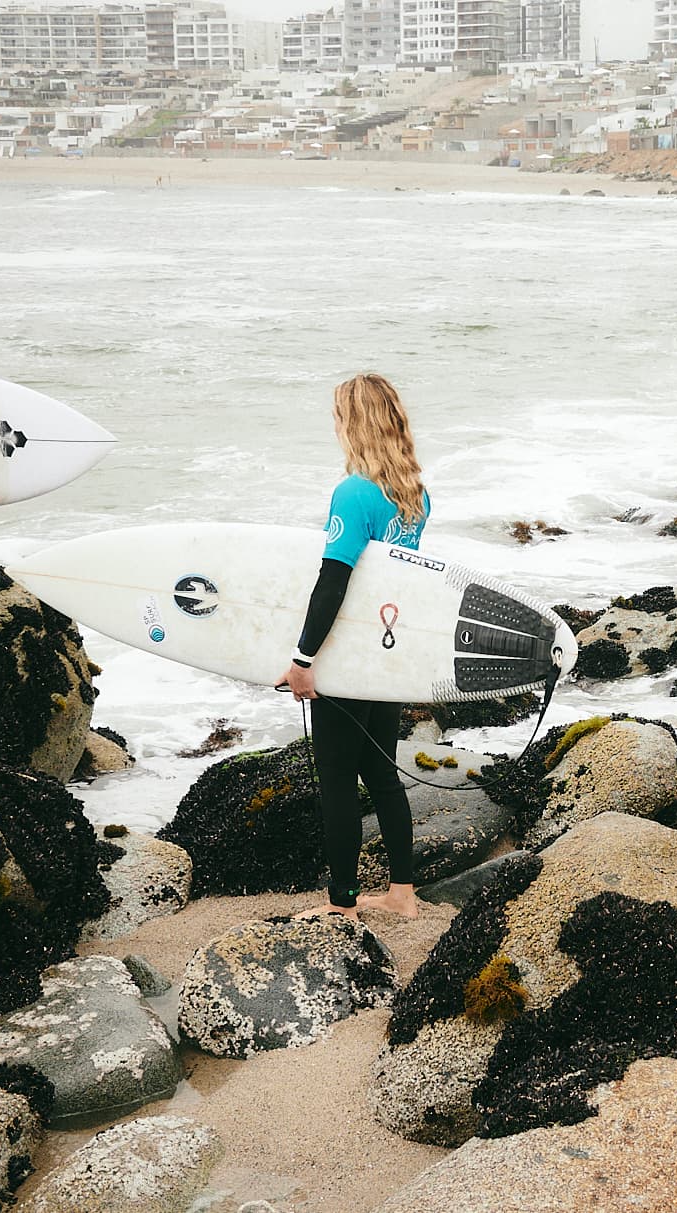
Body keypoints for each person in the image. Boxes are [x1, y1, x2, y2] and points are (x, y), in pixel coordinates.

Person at [277, 373, 427, 921]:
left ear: (353, 423)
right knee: (383, 775)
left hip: (347, 657)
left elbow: (334, 580)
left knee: (337, 779)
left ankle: (341, 904)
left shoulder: (354, 492)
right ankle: (403, 894)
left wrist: (301, 658)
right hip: (385, 655)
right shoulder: (414, 494)